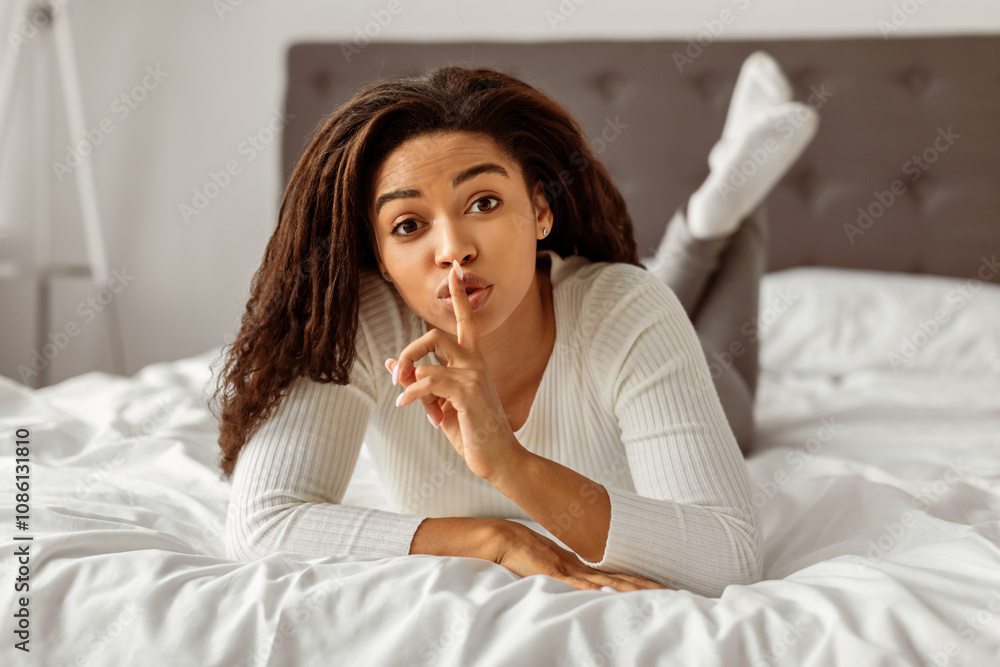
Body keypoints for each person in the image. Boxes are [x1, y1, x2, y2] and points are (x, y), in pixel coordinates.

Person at [212, 52, 817, 598]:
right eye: (407, 225)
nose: (453, 250)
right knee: (632, 300)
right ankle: (709, 217)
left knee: (693, 338)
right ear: (377, 255)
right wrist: (494, 538)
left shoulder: (627, 311)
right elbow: (262, 524)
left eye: (483, 203)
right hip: (593, 309)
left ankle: (718, 217)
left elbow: (727, 557)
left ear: (541, 210)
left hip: (683, 363)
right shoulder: (360, 324)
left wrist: (510, 463)